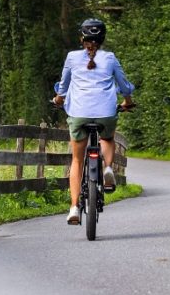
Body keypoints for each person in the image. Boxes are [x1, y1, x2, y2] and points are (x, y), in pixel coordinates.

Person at [52, 18, 135, 225]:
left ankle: (73, 208)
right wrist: (127, 101)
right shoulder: (110, 58)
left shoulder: (72, 57)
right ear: (103, 38)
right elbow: (124, 85)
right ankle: (107, 168)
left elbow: (63, 86)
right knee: (107, 138)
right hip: (106, 112)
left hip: (79, 114)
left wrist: (58, 99)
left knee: (77, 160)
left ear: (82, 38)